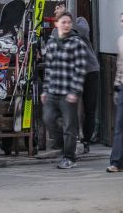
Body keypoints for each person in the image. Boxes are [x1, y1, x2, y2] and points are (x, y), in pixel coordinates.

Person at [41, 11, 89, 169]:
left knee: (70, 125)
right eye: (64, 22)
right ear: (56, 24)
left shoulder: (77, 43)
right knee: (48, 119)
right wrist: (45, 90)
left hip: (68, 92)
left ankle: (70, 156)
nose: (67, 25)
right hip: (53, 90)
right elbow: (49, 69)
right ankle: (64, 148)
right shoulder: (52, 43)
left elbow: (80, 69)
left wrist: (74, 92)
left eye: (69, 22)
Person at [74, 16, 101, 154]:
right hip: (73, 72)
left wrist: (68, 22)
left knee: (89, 108)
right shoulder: (58, 27)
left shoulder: (79, 20)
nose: (56, 10)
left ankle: (86, 140)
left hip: (90, 69)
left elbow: (84, 31)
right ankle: (73, 138)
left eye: (58, 7)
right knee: (70, 106)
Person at [108, 12, 123, 173]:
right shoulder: (121, 41)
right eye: (121, 21)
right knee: (119, 126)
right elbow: (120, 66)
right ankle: (116, 162)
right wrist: (117, 86)